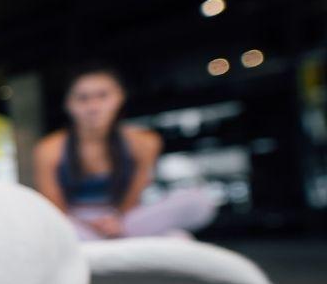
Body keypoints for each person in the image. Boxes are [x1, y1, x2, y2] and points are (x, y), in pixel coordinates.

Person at [33, 66, 217, 241]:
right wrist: (91, 225)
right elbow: (55, 208)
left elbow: (133, 198)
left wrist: (116, 220)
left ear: (120, 97)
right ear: (68, 104)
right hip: (77, 223)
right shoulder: (49, 149)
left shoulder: (145, 142)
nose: (93, 106)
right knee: (50, 225)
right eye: (83, 98)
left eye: (103, 96)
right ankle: (118, 242)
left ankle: (114, 240)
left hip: (125, 218)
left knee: (198, 200)